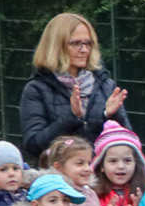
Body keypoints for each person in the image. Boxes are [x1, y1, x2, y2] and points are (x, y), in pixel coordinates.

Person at [18, 13, 130, 164]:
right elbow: (33, 146)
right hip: (59, 180)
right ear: (56, 46)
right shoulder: (36, 89)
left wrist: (110, 116)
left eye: (88, 43)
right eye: (76, 43)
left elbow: (129, 141)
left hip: (100, 179)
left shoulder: (106, 85)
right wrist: (70, 118)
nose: (84, 50)